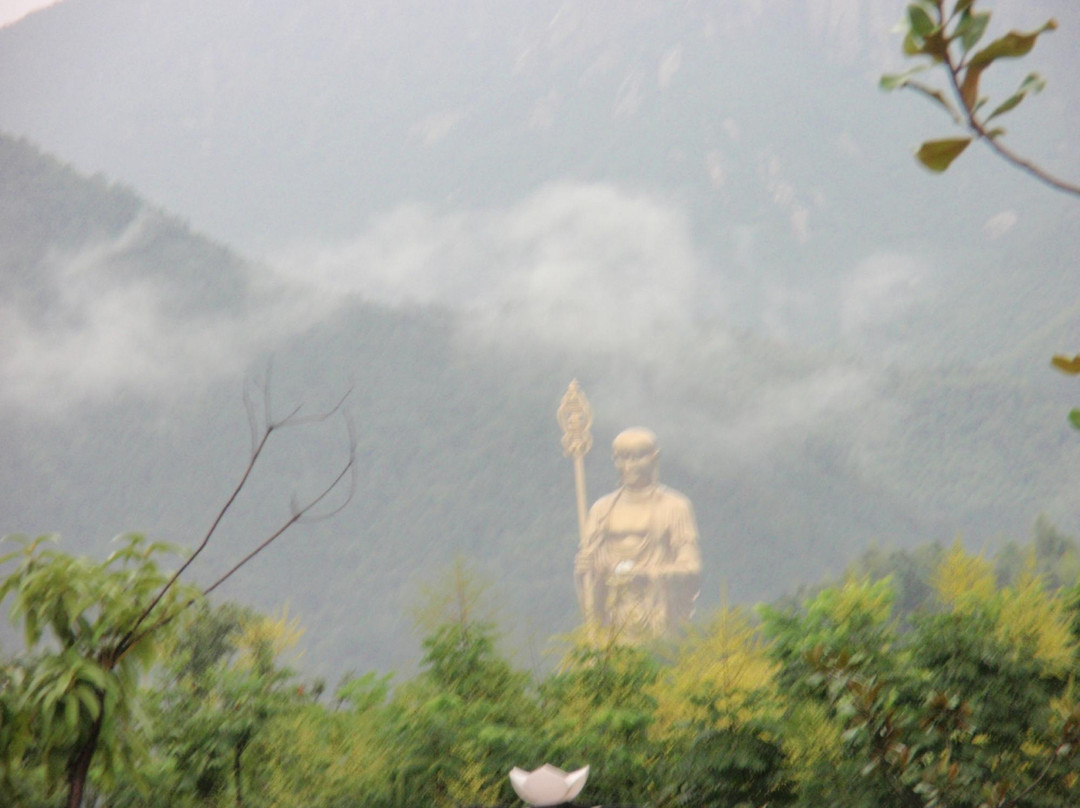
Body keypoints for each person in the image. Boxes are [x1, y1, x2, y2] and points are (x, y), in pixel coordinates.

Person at [574, 427, 701, 638]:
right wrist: (588, 568)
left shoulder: (675, 507)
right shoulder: (601, 510)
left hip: (656, 613)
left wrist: (644, 574)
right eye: (621, 459)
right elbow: (591, 570)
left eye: (636, 458)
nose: (628, 466)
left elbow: (691, 567)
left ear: (654, 458)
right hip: (614, 614)